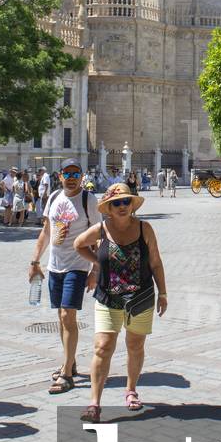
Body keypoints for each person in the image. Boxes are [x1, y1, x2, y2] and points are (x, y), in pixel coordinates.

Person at [74, 183, 167, 421]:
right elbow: (78, 244)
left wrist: (163, 293)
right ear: (109, 208)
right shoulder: (102, 229)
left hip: (141, 298)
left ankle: (131, 390)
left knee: (135, 346)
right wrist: (97, 262)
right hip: (108, 297)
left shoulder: (145, 228)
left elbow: (155, 262)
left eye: (126, 202)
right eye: (117, 203)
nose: (123, 206)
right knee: (103, 347)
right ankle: (94, 403)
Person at [28, 158, 101, 393]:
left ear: (82, 176)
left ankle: (67, 375)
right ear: (60, 176)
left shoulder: (88, 200)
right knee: (61, 318)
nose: (71, 178)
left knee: (67, 315)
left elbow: (100, 237)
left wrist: (96, 270)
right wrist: (35, 261)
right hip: (55, 266)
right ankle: (70, 361)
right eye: (66, 174)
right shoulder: (54, 198)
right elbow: (46, 232)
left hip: (77, 266)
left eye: (75, 173)